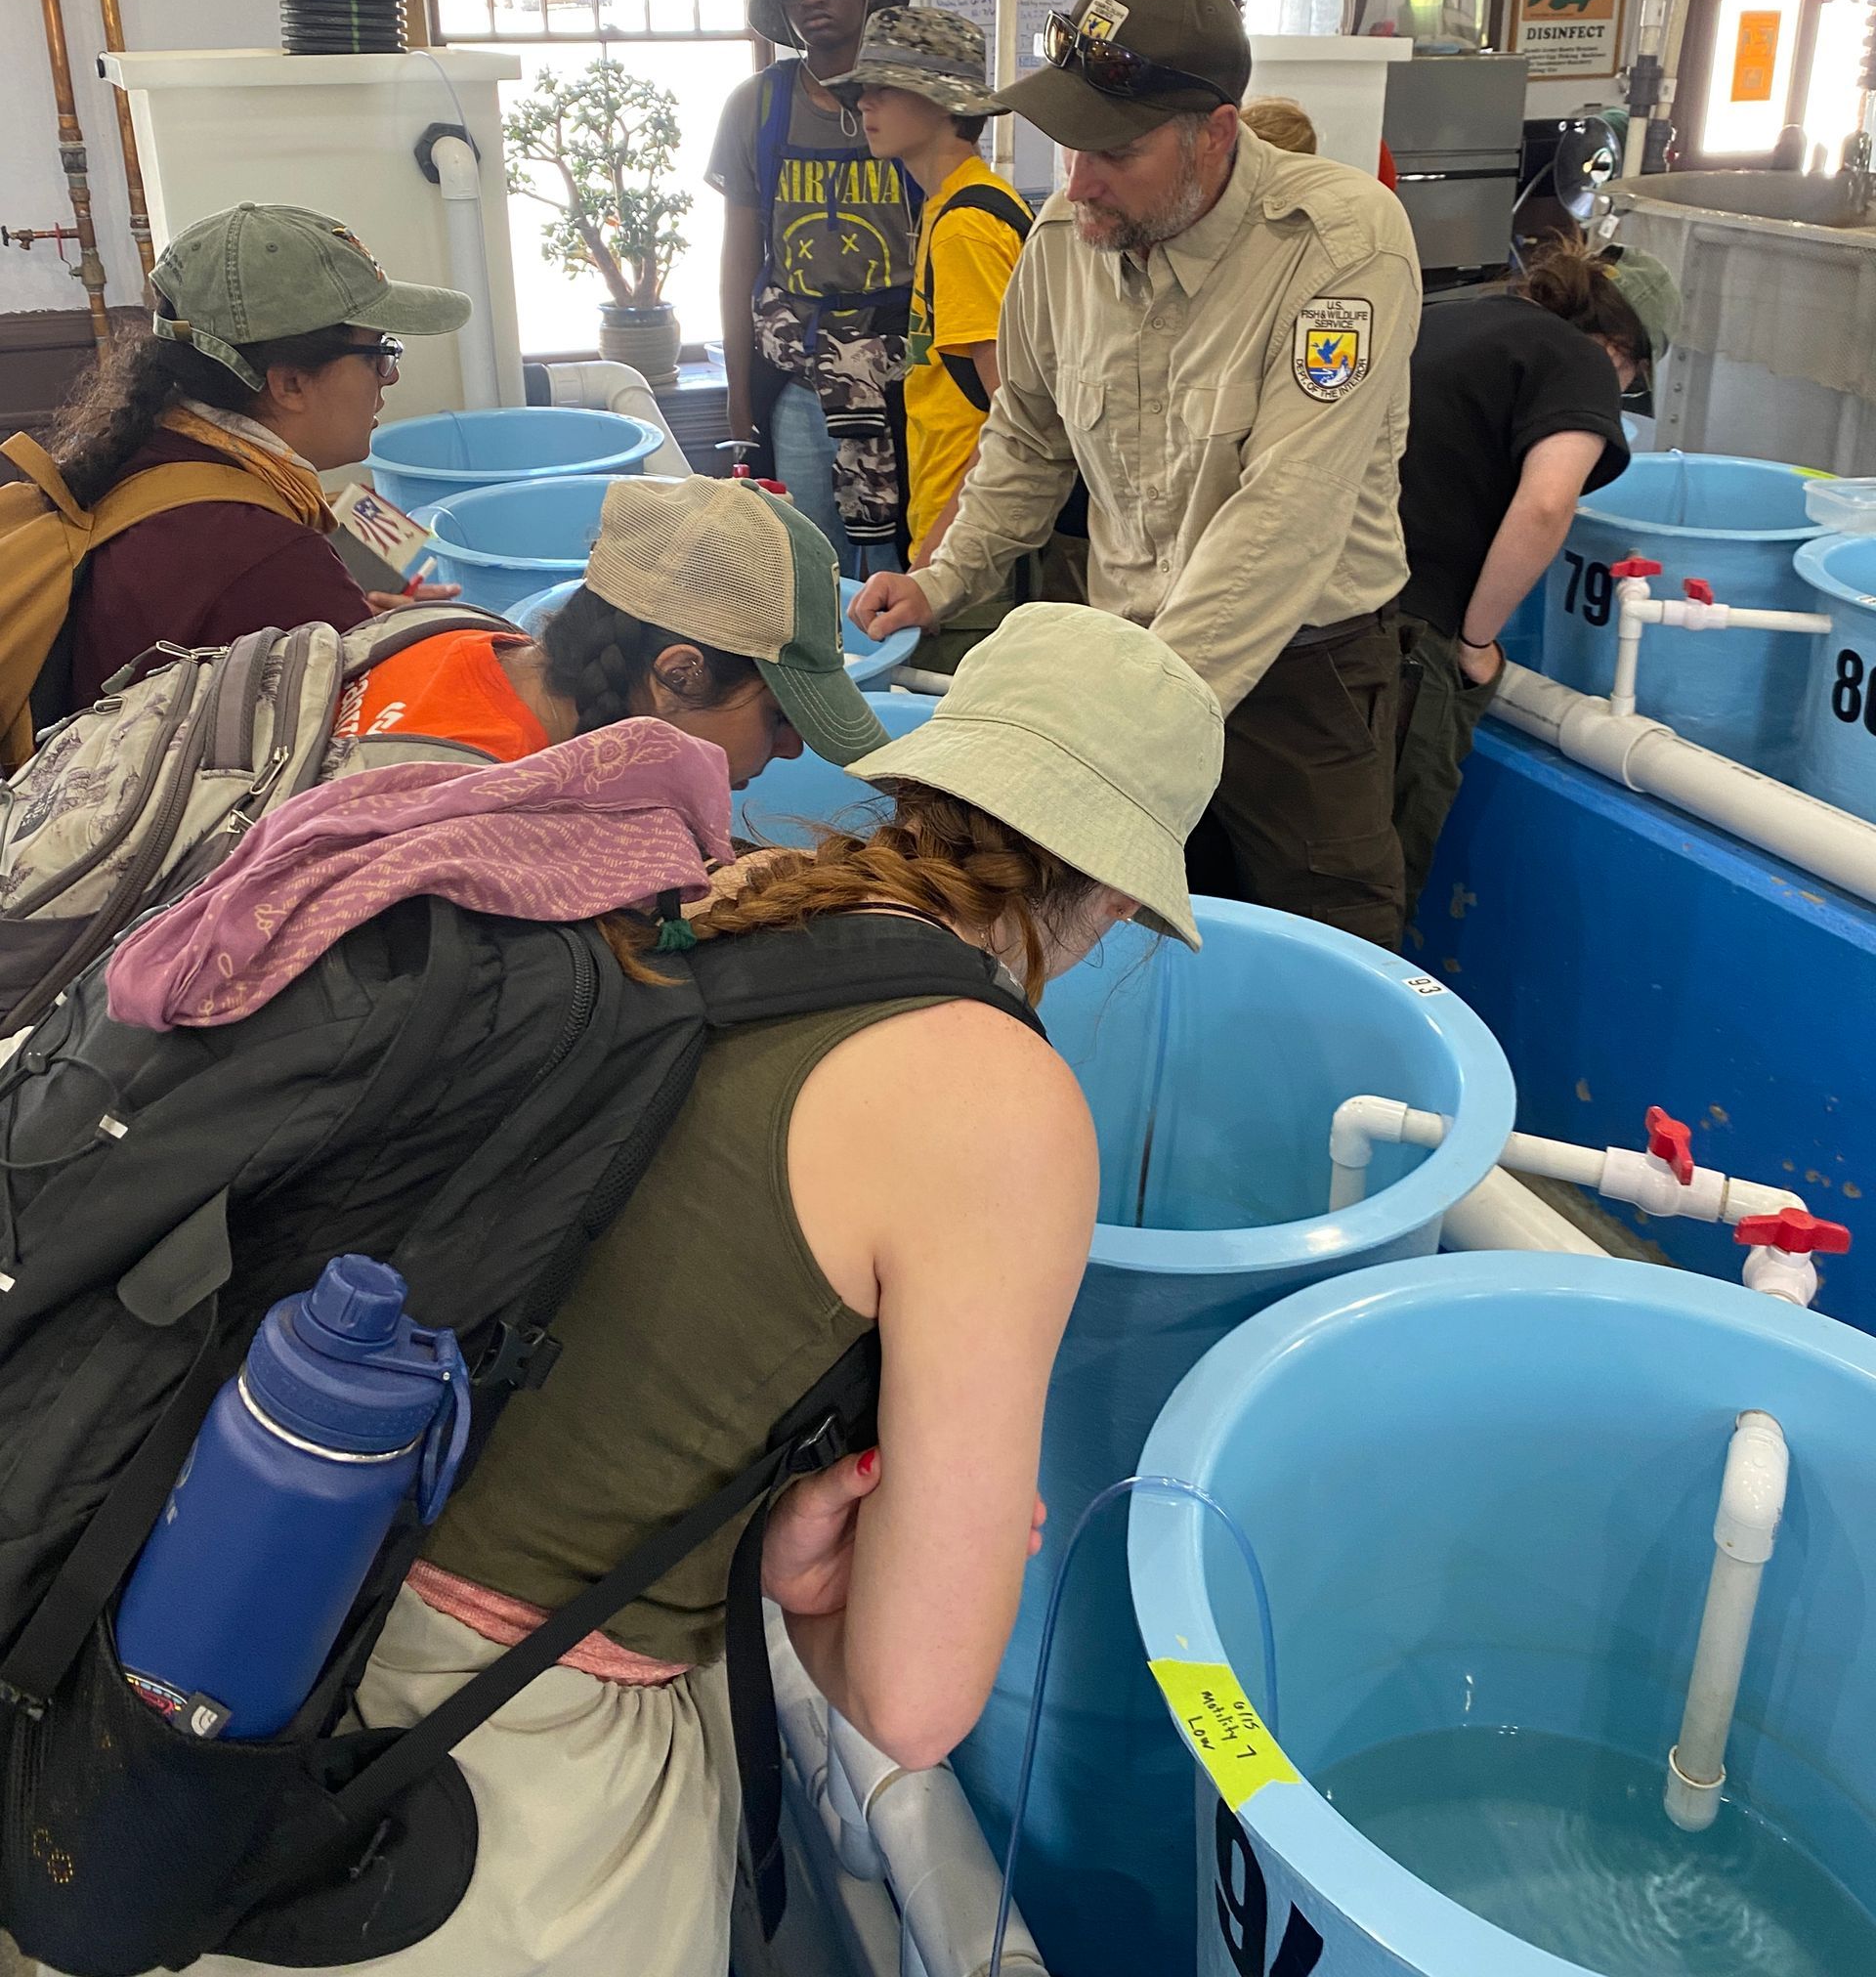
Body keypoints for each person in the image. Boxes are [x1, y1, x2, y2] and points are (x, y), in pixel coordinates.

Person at [190, 602, 1223, 1977]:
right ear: (1117, 900)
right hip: (507, 1778)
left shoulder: (707, 892)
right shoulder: (997, 1103)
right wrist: (808, 1595)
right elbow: (914, 1702)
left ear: (924, 780)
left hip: (276, 1598)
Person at [855, 0, 1423, 946]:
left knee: (1326, 939)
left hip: (1301, 677)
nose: (1079, 184)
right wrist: (944, 579)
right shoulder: (1066, 240)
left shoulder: (1337, 245)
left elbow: (1284, 513)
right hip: (1125, 649)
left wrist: (1133, 711)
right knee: (1127, 949)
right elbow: (1028, 439)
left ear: (1215, 131)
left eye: (1115, 150)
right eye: (1071, 147)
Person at [41, 202, 469, 712]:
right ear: (289, 382)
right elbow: (377, 730)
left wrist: (353, 619)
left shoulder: (154, 452)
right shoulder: (261, 554)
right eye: (379, 352)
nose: (389, 377)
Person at [1393, 233, 1652, 917]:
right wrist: (1477, 639)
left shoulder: (1443, 317)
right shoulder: (1581, 362)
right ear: (1621, 348)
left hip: (1308, 609)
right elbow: (1545, 505)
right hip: (1407, 637)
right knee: (1379, 870)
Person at [335, 474, 888, 780]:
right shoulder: (496, 802)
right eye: (778, 716)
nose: (793, 750)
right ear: (681, 674)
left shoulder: (455, 637)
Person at [708, 0, 917, 573]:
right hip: (797, 375)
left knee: (896, 560)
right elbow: (738, 258)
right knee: (803, 559)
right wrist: (739, 394)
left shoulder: (915, 99)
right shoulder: (757, 106)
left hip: (901, 375)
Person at [834, 5, 1033, 666]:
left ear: (945, 104)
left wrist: (937, 558)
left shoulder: (966, 226)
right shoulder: (949, 205)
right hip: (956, 533)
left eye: (885, 86)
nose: (866, 101)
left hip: (970, 552)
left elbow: (1017, 419)